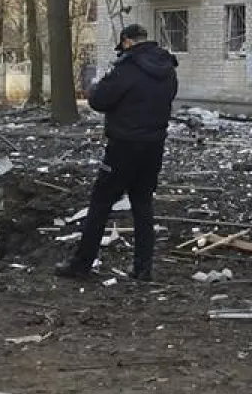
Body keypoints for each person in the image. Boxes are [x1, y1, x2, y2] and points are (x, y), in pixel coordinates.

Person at [57, 23, 178, 283]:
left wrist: (98, 85)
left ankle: (81, 264)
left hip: (123, 146)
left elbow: (99, 100)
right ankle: (143, 268)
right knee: (142, 204)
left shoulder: (127, 68)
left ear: (127, 41)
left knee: (100, 203)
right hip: (154, 146)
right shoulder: (167, 68)